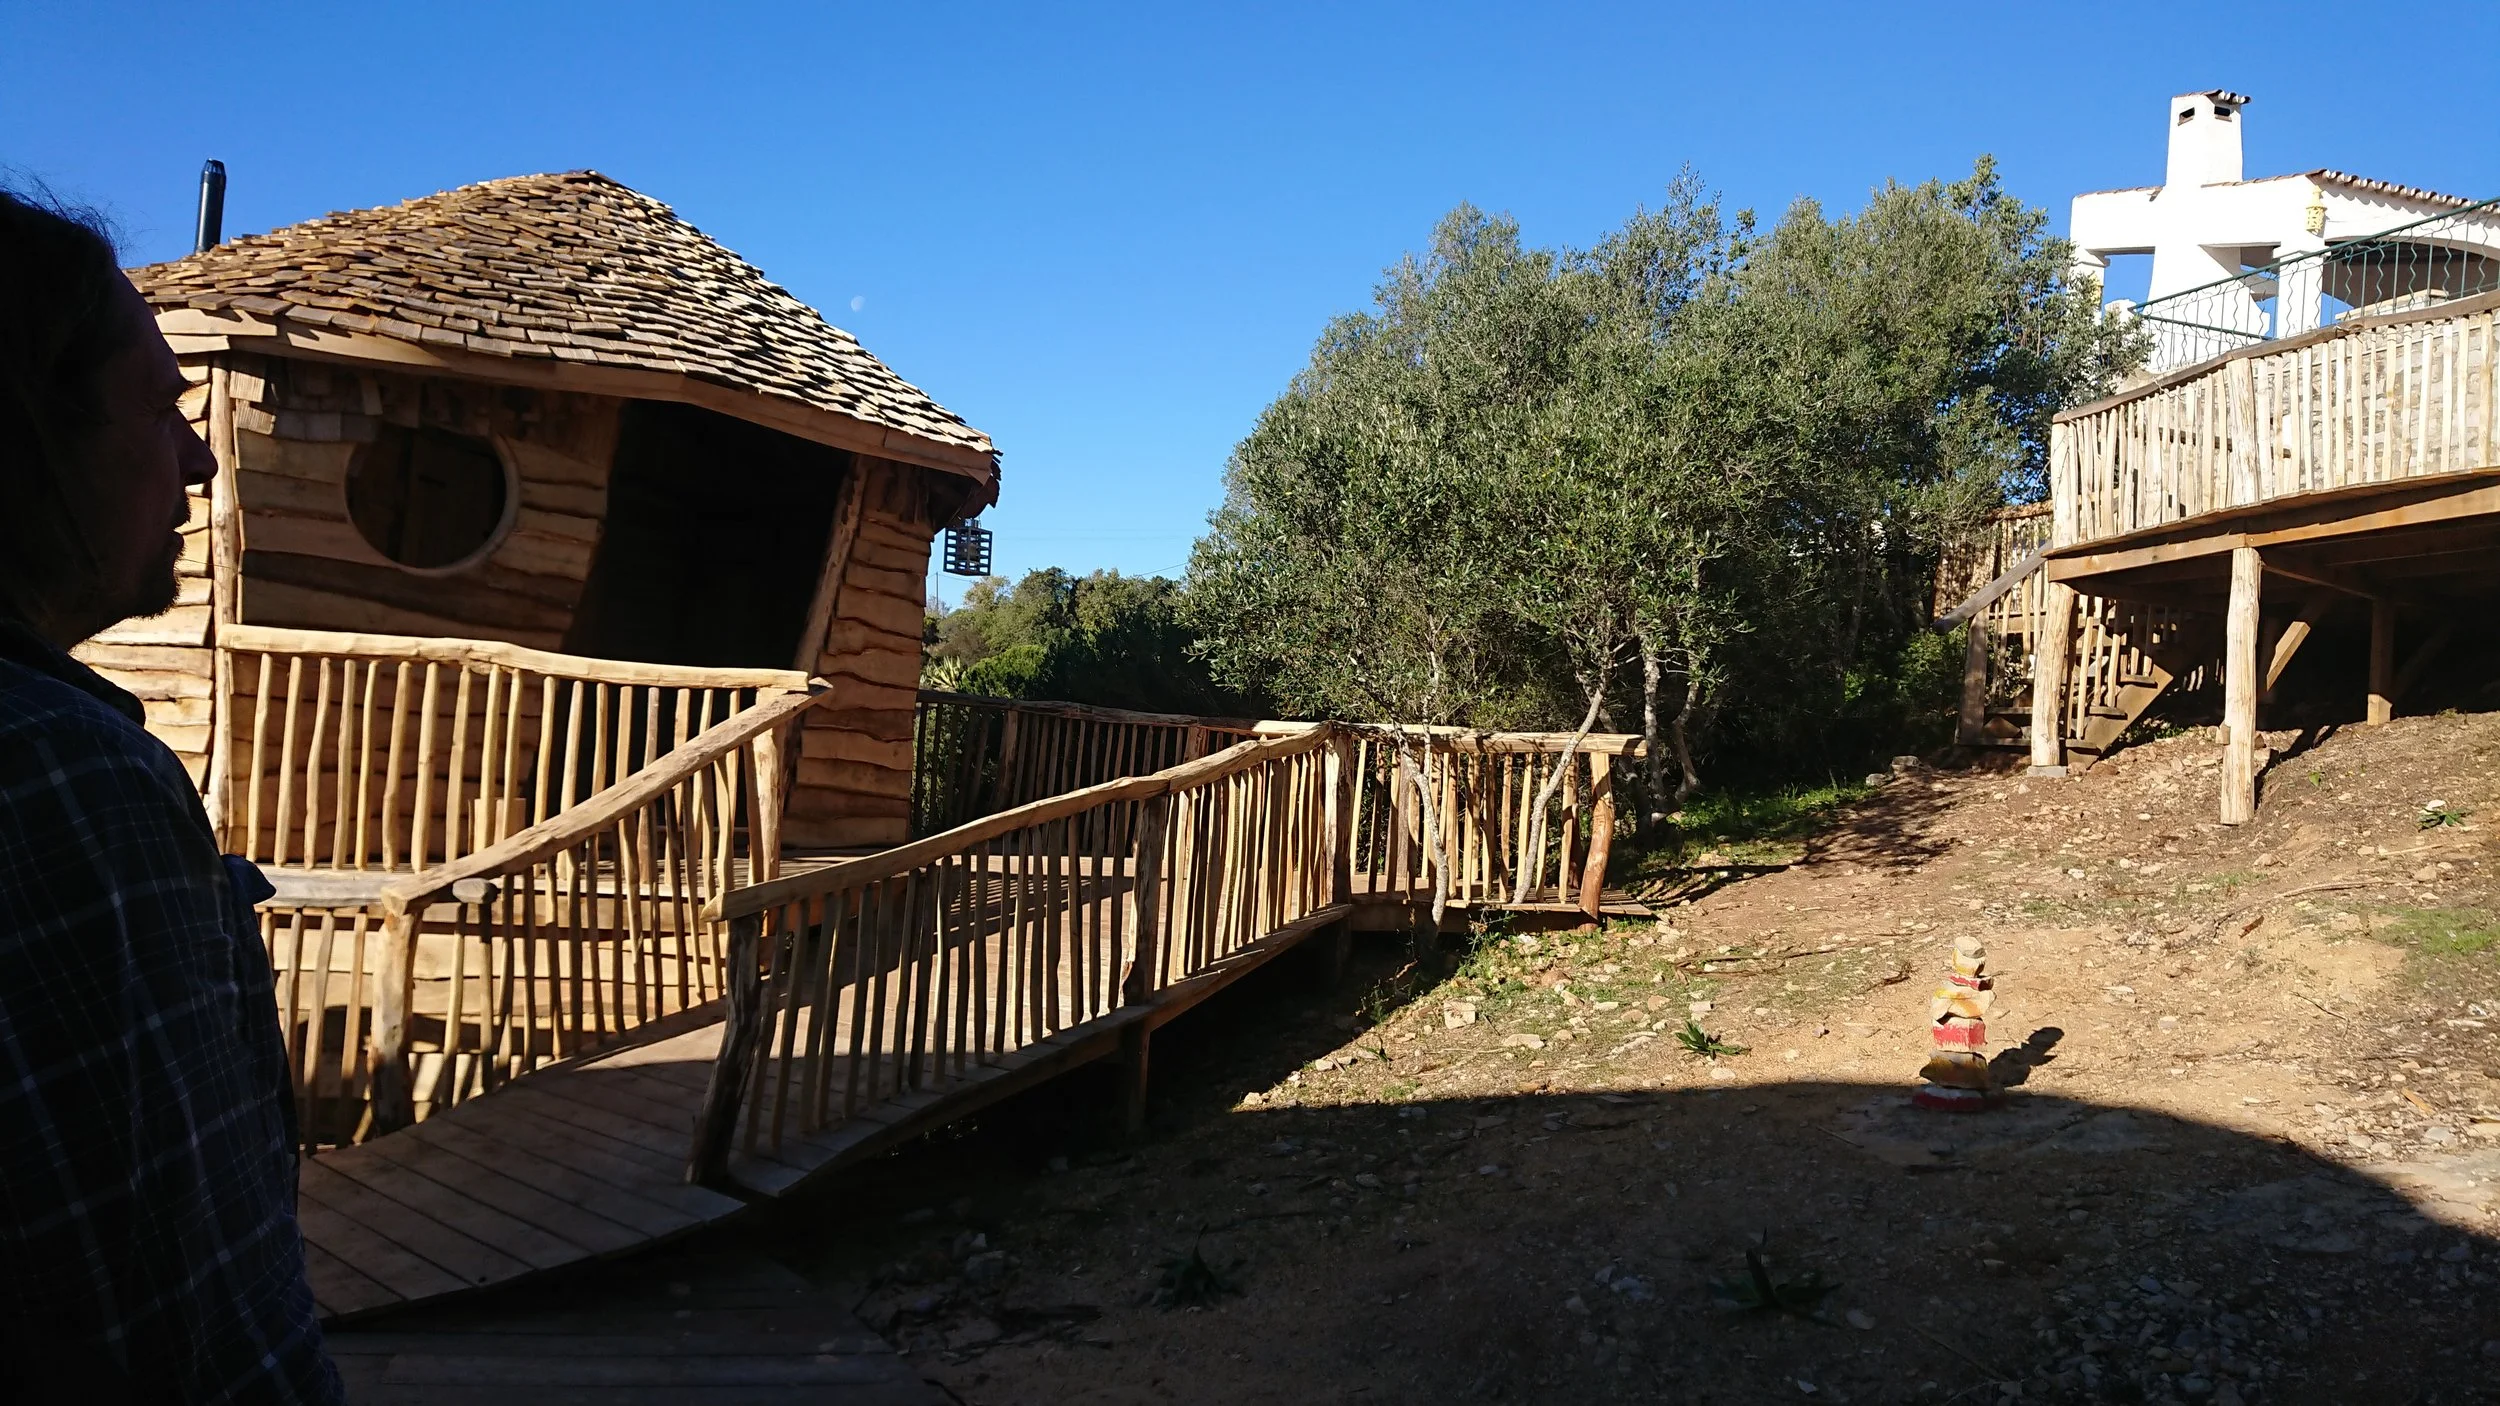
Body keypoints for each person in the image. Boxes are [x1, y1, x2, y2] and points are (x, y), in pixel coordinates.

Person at [0, 188, 342, 1402]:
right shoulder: (65, 782)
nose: (200, 455)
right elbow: (194, 1325)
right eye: (162, 408)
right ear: (28, 438)